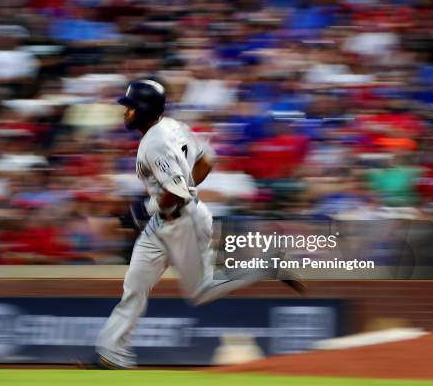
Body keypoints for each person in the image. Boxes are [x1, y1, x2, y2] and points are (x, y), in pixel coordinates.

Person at [94, 79, 303, 369]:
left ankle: (267, 265)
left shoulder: (153, 143)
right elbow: (207, 159)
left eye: (129, 107)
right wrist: (169, 197)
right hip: (164, 220)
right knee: (135, 285)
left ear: (143, 109)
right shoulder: (172, 126)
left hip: (184, 222)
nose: (125, 112)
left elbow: (177, 192)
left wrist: (143, 209)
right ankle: (113, 353)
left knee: (201, 291)